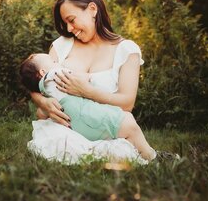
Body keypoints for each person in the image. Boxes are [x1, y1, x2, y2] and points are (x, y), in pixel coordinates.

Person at [27, 0, 174, 164]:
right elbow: (39, 83)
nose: (69, 29)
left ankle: (150, 156)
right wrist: (44, 102)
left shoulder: (126, 50)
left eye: (71, 20)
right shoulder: (62, 45)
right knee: (59, 143)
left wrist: (86, 91)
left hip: (106, 130)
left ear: (92, 9)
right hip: (64, 129)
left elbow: (127, 103)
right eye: (65, 23)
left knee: (116, 148)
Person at [19, 52, 157, 161]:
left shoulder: (46, 91)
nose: (58, 63)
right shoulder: (54, 75)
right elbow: (78, 78)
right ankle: (152, 157)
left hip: (78, 126)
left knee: (125, 130)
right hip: (90, 117)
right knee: (129, 123)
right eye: (53, 62)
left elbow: (42, 111)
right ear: (43, 72)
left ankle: (141, 153)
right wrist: (90, 78)